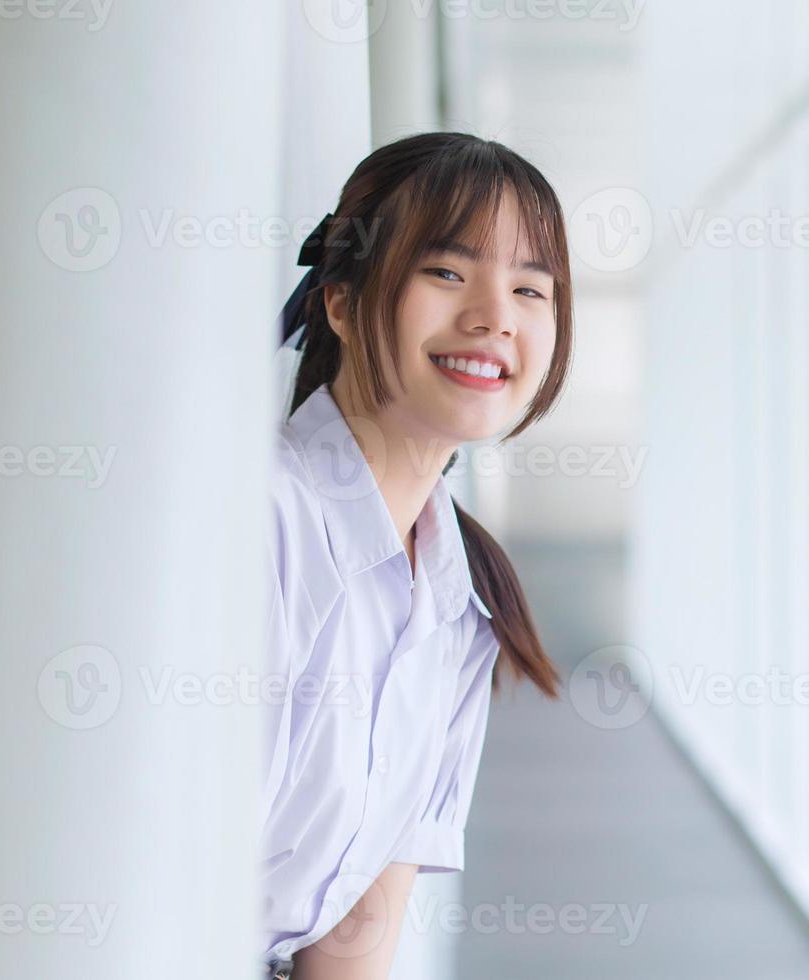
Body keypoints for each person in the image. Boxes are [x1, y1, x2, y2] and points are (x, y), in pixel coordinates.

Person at [260, 133, 573, 979]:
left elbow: (361, 920)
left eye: (529, 288)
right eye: (447, 273)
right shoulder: (266, 523)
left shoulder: (461, 600)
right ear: (340, 299)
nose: (494, 317)